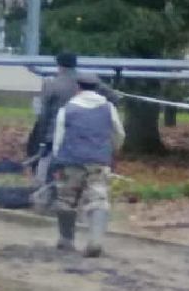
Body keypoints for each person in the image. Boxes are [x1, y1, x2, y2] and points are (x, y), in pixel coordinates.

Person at [50, 71, 124, 256]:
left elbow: (58, 138)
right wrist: (112, 149)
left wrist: (58, 158)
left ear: (78, 87)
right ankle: (95, 241)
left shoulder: (67, 109)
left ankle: (66, 239)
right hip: (98, 160)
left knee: (66, 200)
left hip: (71, 160)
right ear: (97, 88)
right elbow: (119, 133)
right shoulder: (108, 108)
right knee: (98, 199)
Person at [26, 53, 82, 210]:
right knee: (74, 170)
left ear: (59, 65)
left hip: (53, 135)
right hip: (80, 137)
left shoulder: (52, 85)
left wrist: (40, 138)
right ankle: (71, 202)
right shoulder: (87, 82)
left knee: (44, 168)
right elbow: (113, 98)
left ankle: (45, 201)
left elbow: (44, 115)